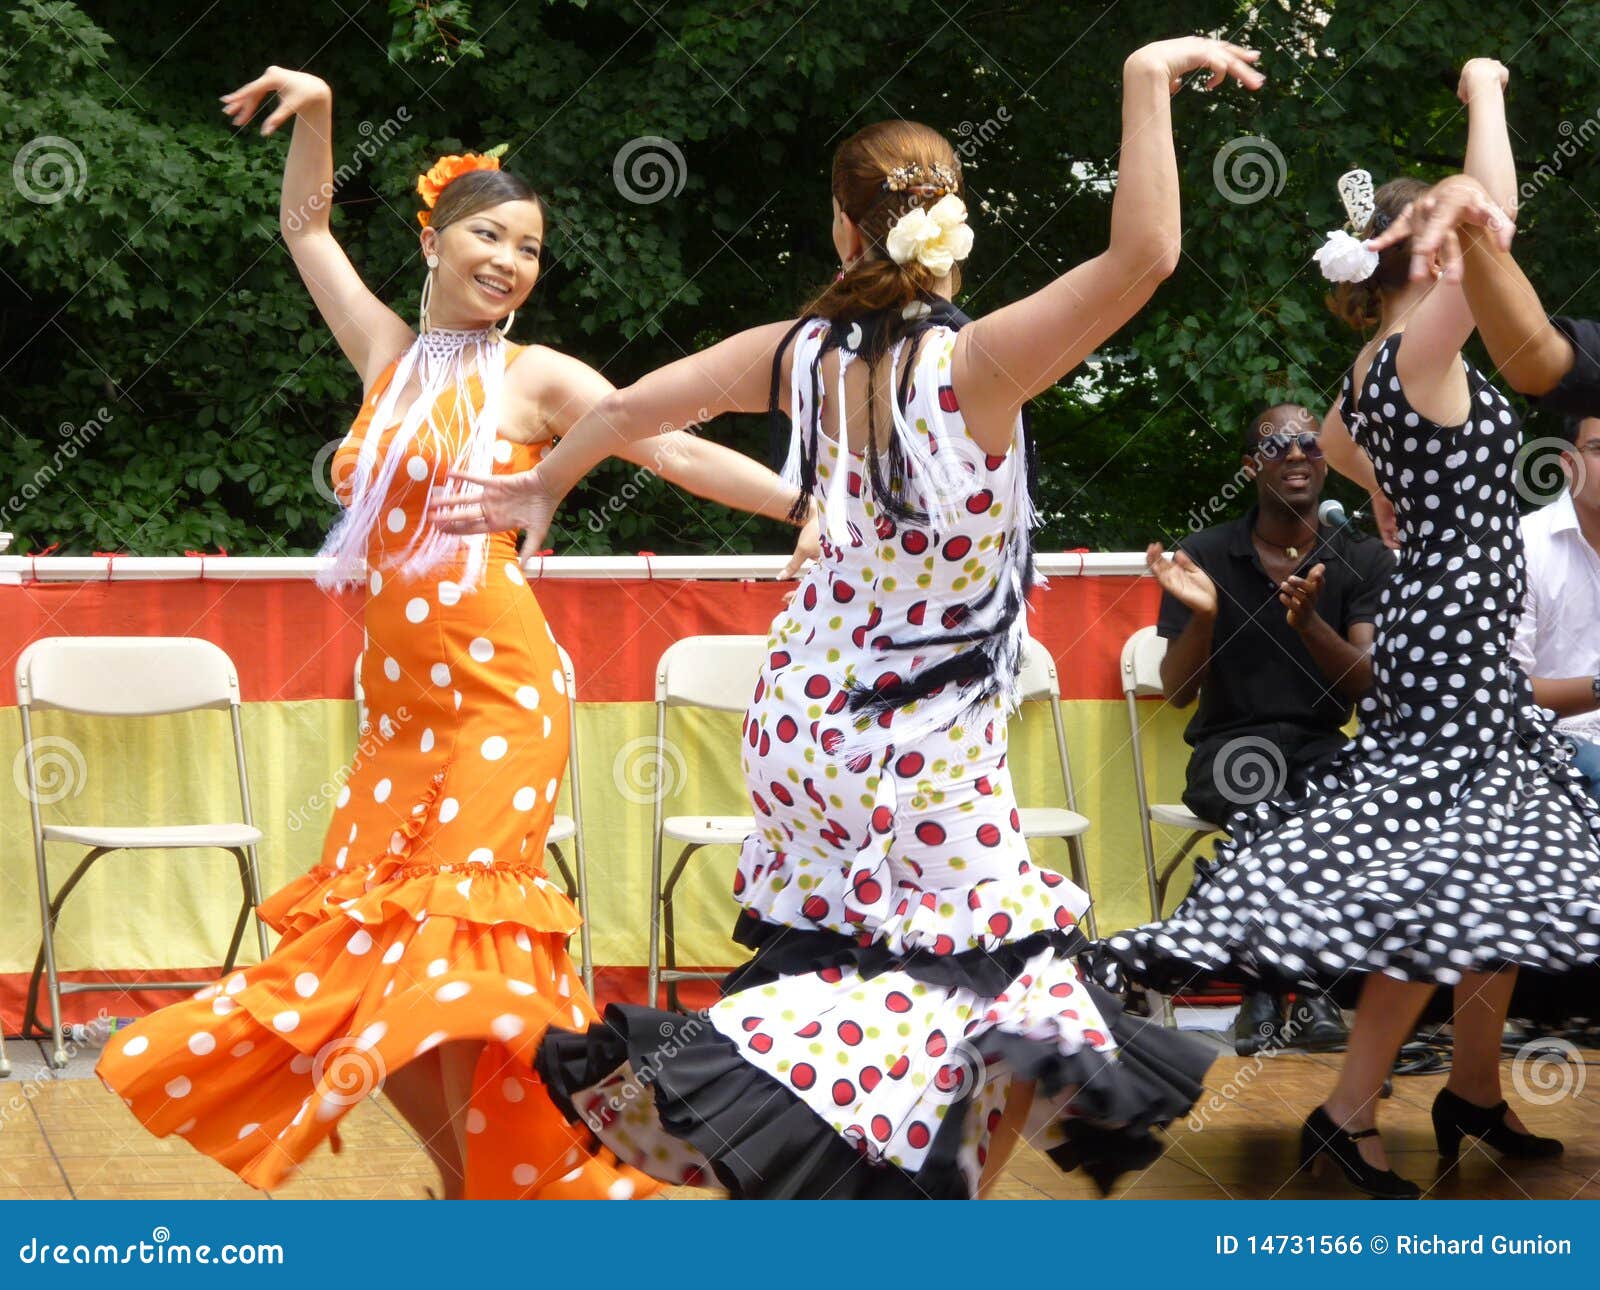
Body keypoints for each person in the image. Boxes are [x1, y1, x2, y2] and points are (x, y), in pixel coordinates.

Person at [434, 36, 1264, 1198]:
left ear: (842, 228)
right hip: (916, 740)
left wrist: (543, 484)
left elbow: (622, 408)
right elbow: (1146, 254)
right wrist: (1138, 80)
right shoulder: (979, 363)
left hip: (805, 722)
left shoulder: (798, 355)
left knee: (878, 973)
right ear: (951, 225)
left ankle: (859, 1186)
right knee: (1007, 980)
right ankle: (911, 1198)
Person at [96, 65, 813, 1200]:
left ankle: (554, 1179)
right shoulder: (386, 358)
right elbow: (303, 227)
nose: (509, 261)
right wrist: (324, 108)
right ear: (433, 239)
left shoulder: (536, 378)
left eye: (527, 248)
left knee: (468, 962)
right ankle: (474, 1186)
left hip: (500, 701)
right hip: (399, 719)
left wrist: (801, 509)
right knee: (381, 967)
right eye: (489, 233)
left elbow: (665, 445)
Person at [1100, 58, 1600, 1199]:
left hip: (1442, 625)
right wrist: (1482, 89)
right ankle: (1342, 1112)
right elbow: (1499, 221)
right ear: (1422, 254)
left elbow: (1329, 445)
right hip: (1456, 642)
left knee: (1491, 871)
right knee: (1446, 879)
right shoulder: (1423, 352)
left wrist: (1387, 492)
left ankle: (1472, 1088)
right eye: (1448, 238)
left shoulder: (1376, 366)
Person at [1150, 402, 1393, 1055]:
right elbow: (1176, 693)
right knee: (1264, 803)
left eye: (1311, 443)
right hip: (1229, 745)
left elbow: (1369, 686)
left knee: (1344, 804)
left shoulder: (1361, 558)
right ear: (1251, 465)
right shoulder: (1205, 553)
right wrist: (1202, 616)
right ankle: (1284, 993)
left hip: (1320, 748)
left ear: (1325, 461)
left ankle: (1282, 994)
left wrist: (1310, 624)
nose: (1296, 453)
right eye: (1277, 443)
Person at [1511, 413, 1600, 801]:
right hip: (1554, 738)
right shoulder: (1523, 546)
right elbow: (1508, 691)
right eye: (1599, 450)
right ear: (1566, 465)